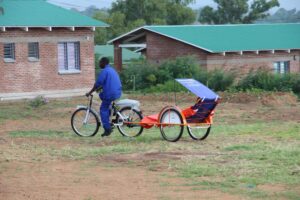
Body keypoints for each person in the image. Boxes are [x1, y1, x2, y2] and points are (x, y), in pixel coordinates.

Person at [86, 57, 122, 137]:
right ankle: (110, 116)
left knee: (103, 109)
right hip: (117, 92)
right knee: (101, 96)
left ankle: (107, 129)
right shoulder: (112, 70)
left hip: (110, 93)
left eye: (100, 63)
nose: (99, 64)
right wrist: (98, 89)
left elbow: (98, 83)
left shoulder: (104, 71)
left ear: (103, 63)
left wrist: (90, 92)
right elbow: (105, 83)